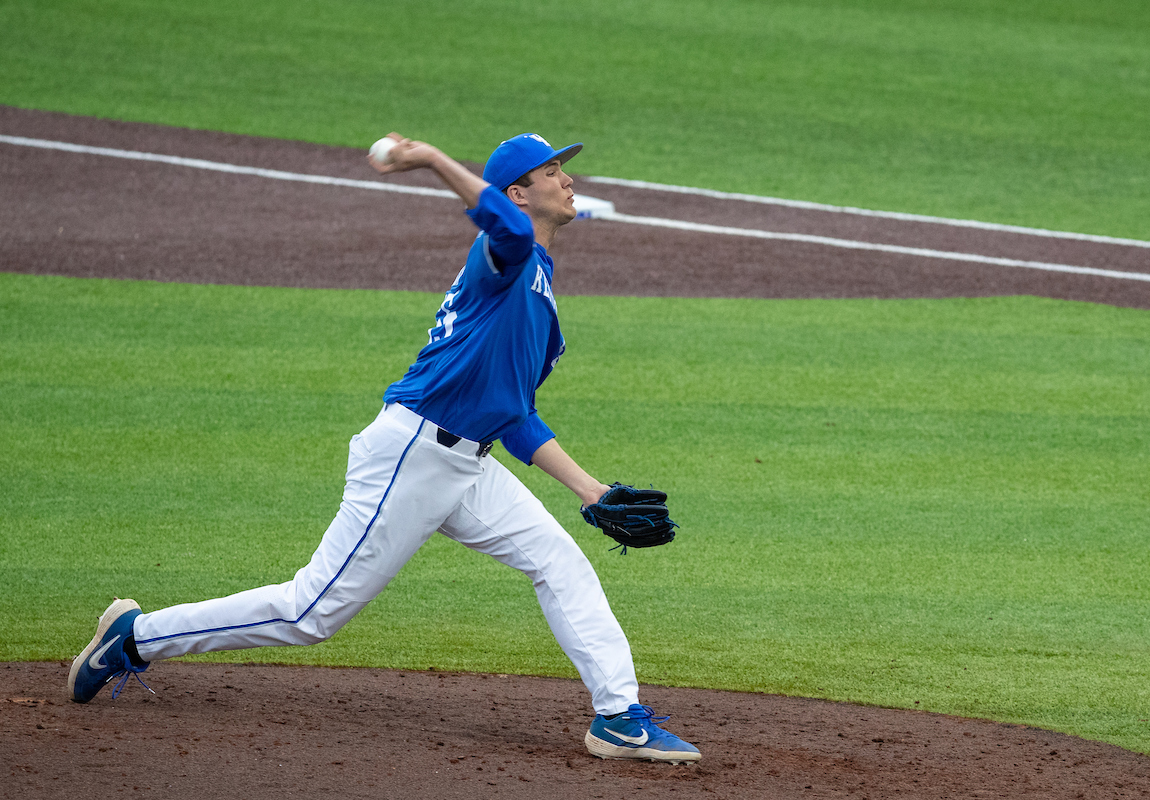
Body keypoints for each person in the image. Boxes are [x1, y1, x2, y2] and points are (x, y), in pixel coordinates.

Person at [67, 132, 701, 764]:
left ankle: (619, 718)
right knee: (310, 614)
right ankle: (135, 637)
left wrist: (589, 489)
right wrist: (432, 158)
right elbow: (503, 228)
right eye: (552, 171)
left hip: (466, 464)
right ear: (518, 193)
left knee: (560, 563)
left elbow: (514, 415)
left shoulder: (537, 280)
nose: (568, 180)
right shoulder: (507, 257)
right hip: (413, 455)